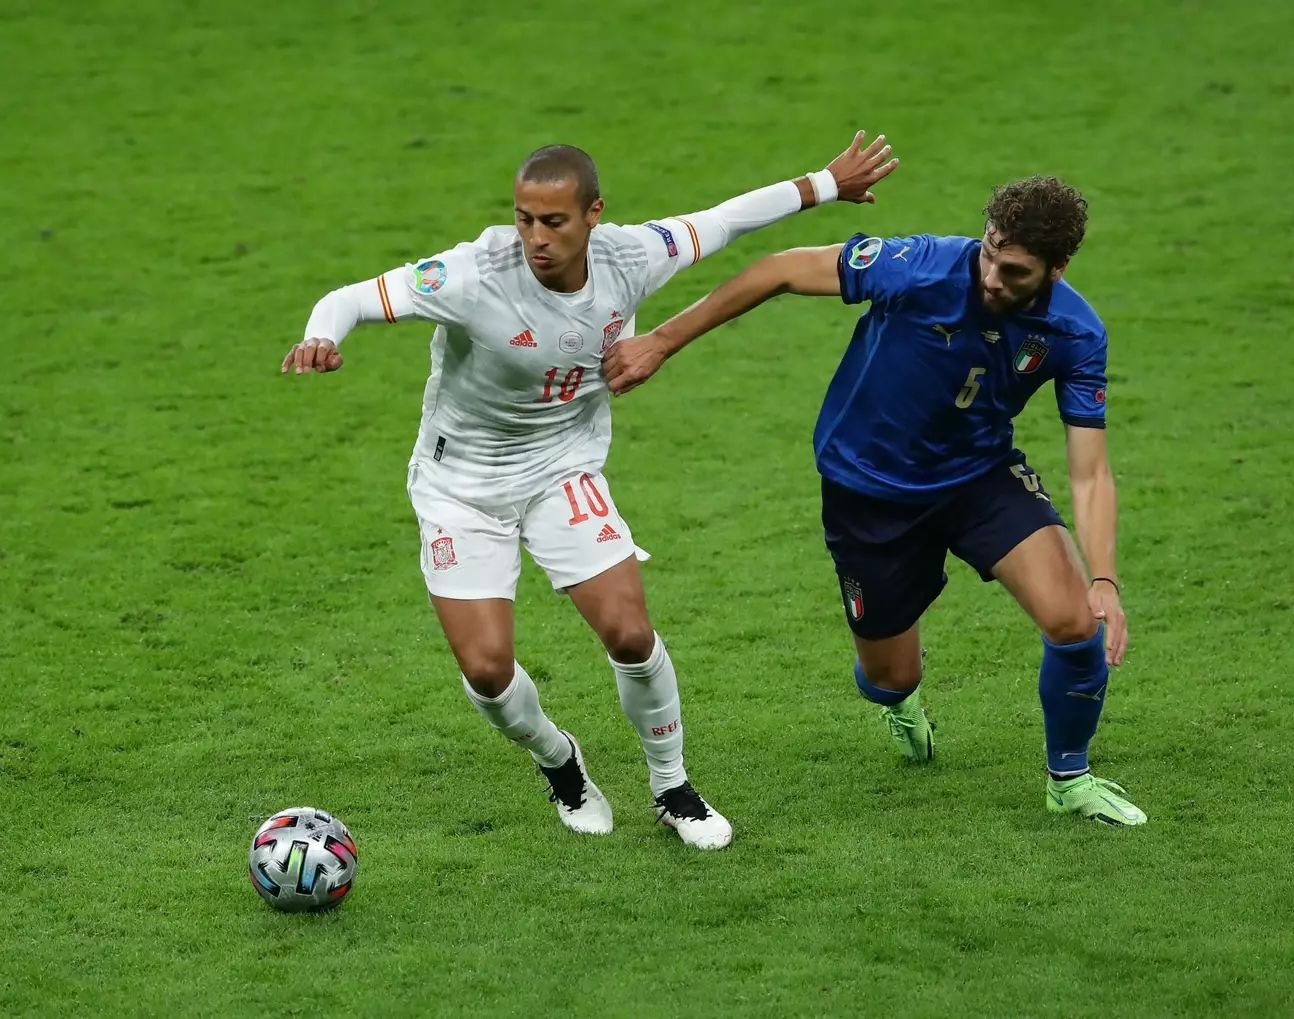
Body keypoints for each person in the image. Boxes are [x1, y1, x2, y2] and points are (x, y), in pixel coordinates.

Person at [281, 133, 900, 849]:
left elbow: (725, 218)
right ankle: (560, 760)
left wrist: (826, 182)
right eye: (524, 219)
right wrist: (322, 335)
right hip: (461, 488)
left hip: (561, 468)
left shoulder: (630, 256)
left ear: (593, 214)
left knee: (631, 634)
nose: (535, 239)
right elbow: (351, 297)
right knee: (486, 671)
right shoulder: (472, 273)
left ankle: (673, 787)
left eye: (554, 222)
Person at [602, 176, 1146, 826]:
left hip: (978, 477)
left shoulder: (1074, 332)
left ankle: (1070, 777)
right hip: (868, 491)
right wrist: (661, 340)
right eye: (991, 250)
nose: (993, 275)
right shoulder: (916, 267)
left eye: (1016, 268)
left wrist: (1105, 579)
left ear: (1056, 269)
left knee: (1073, 619)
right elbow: (779, 270)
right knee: (889, 675)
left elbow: (1090, 473)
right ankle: (902, 702)